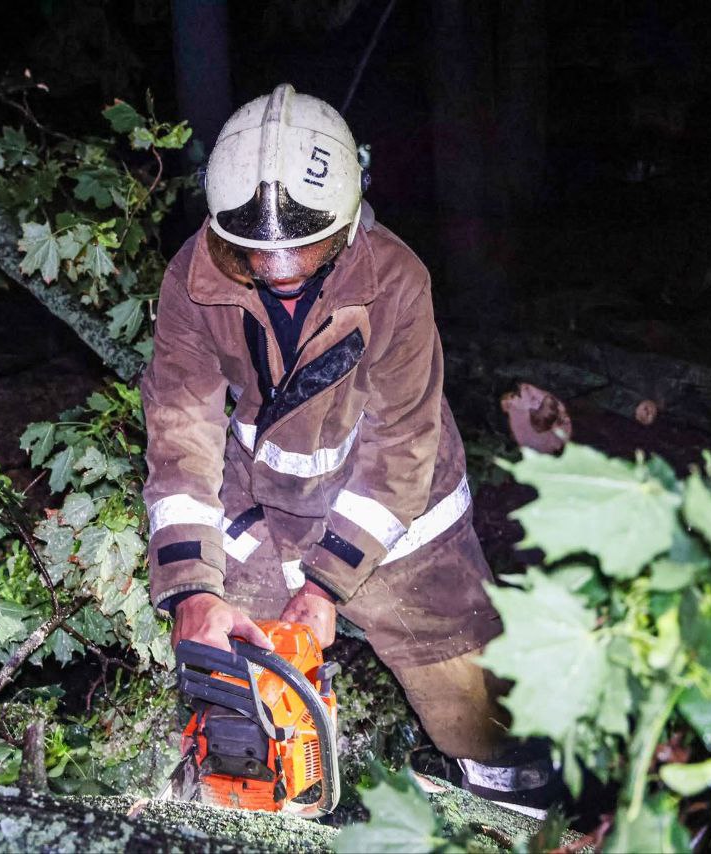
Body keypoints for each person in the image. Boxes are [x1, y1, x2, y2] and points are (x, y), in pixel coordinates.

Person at [142, 83, 556, 816]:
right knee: (236, 692)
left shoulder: (395, 280)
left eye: (305, 248)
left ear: (346, 220)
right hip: (263, 508)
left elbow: (402, 446)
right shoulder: (192, 279)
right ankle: (250, 805)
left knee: (484, 716)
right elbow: (181, 430)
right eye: (255, 254)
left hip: (400, 516)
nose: (281, 269)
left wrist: (325, 586)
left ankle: (522, 804)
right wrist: (191, 587)